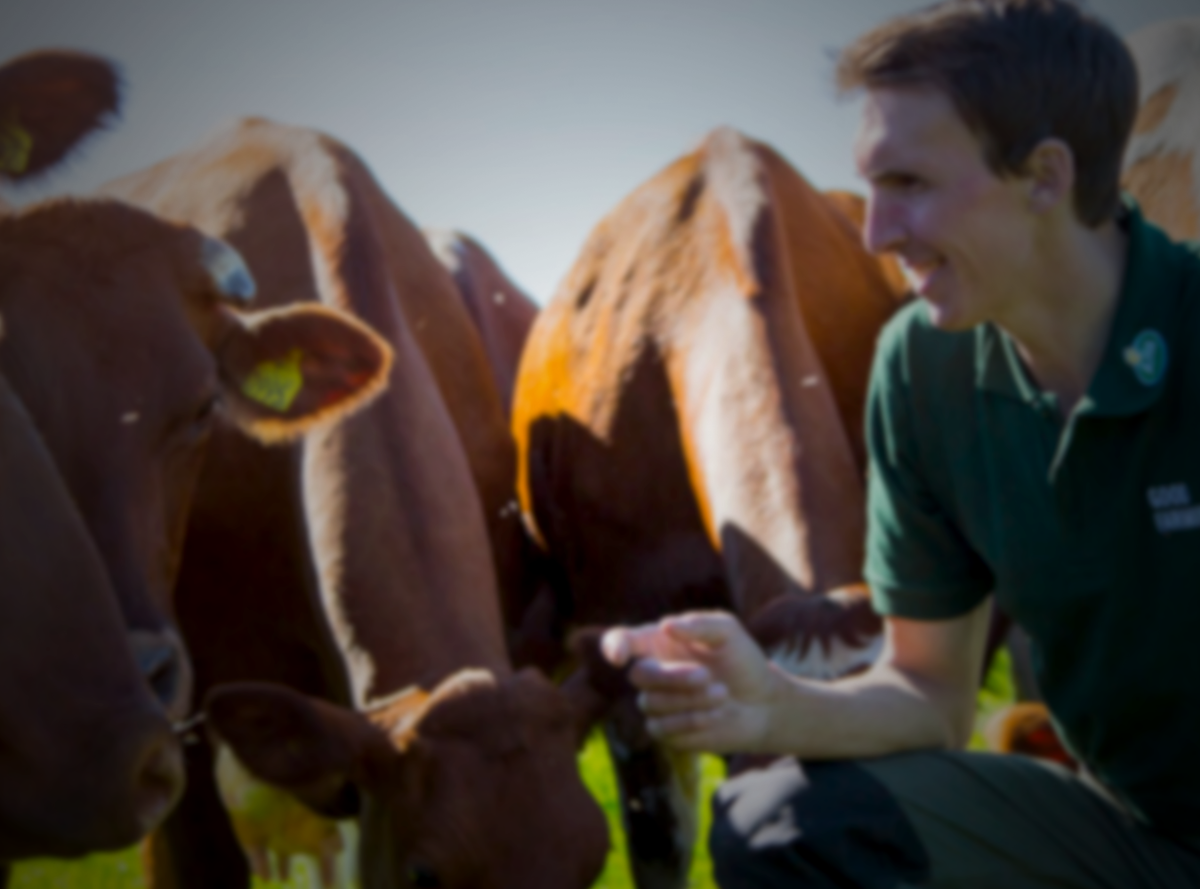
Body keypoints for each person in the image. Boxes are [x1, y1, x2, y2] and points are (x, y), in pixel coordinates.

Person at [600, 1, 1200, 886]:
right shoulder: (922, 369)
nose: (876, 233)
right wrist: (772, 706)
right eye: (871, 186)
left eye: (910, 183)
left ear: (1045, 175)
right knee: (781, 824)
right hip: (1138, 836)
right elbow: (929, 691)